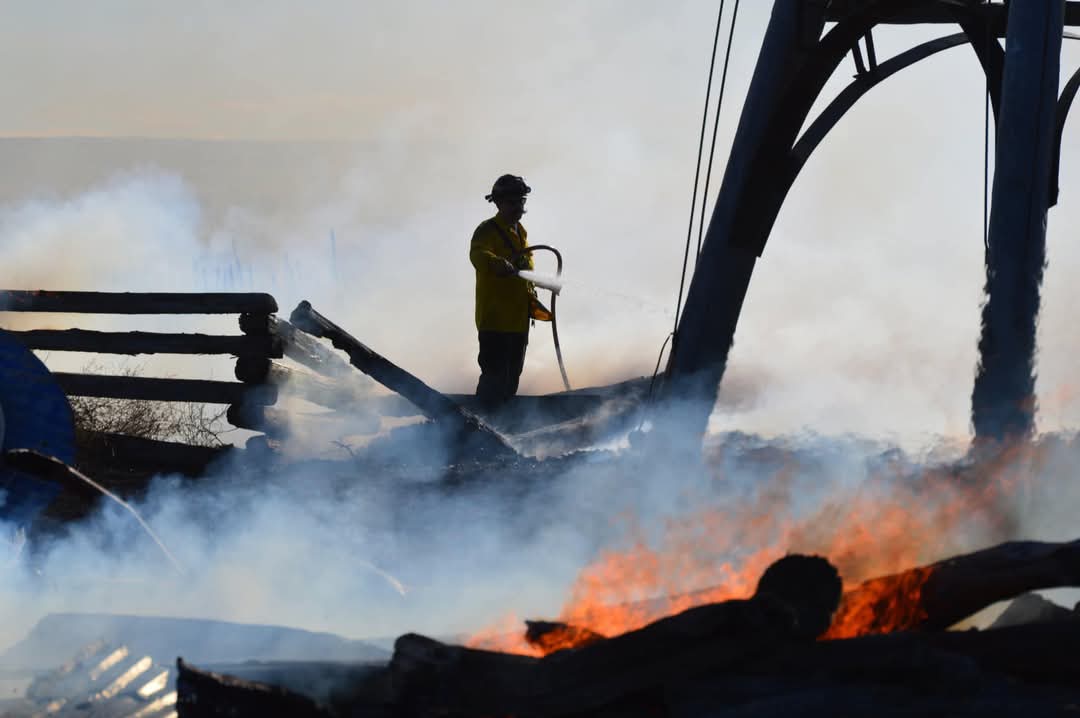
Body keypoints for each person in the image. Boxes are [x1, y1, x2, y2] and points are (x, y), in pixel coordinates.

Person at [469, 174, 538, 410]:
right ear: (498, 203)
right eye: (512, 202)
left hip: (518, 321)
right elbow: (477, 254)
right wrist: (495, 263)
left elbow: (525, 271)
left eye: (521, 201)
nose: (518, 207)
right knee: (493, 379)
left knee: (511, 379)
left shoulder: (521, 233)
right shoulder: (487, 230)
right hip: (495, 320)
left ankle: (503, 425)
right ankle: (478, 425)